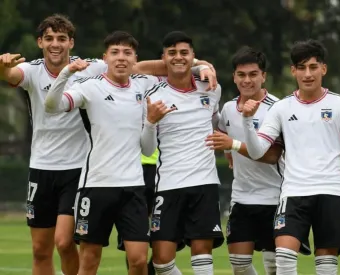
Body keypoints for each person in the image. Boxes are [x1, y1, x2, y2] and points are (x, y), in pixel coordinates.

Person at [0, 14, 216, 275]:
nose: (55, 44)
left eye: (61, 38)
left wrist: (201, 65)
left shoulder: (104, 71)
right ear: (39, 43)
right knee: (49, 250)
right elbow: (20, 82)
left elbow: (168, 66)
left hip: (93, 172)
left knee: (109, 253)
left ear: (71, 42)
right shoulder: (46, 73)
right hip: (61, 172)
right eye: (49, 39)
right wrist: (4, 66)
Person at [43, 30, 175, 275]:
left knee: (138, 260)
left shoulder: (144, 86)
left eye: (127, 53)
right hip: (96, 186)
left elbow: (147, 148)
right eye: (115, 52)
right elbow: (52, 105)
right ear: (105, 58)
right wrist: (66, 72)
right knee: (90, 260)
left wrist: (152, 123)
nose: (121, 58)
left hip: (133, 188)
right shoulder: (89, 87)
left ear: (135, 60)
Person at [241, 39, 340, 275]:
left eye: (313, 67)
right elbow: (257, 150)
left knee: (326, 266)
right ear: (293, 71)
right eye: (301, 67)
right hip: (294, 193)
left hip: (330, 191)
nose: (307, 74)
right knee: (284, 257)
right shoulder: (281, 108)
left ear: (323, 68)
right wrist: (247, 121)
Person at [141, 31, 223, 275]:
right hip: (168, 185)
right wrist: (150, 122)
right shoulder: (152, 95)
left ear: (193, 56)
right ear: (163, 58)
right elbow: (147, 148)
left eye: (184, 53)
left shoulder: (211, 89)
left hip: (204, 184)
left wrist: (204, 67)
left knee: (202, 256)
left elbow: (216, 121)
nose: (179, 58)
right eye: (172, 53)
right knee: (161, 262)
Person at [205, 46, 283, 275]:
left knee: (274, 267)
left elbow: (272, 156)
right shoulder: (228, 109)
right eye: (241, 75)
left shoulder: (277, 108)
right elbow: (223, 136)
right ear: (234, 77)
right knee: (239, 265)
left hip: (275, 197)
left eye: (253, 74)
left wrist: (234, 146)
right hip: (241, 198)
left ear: (263, 76)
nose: (247, 80)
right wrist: (230, 153)